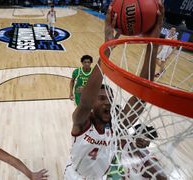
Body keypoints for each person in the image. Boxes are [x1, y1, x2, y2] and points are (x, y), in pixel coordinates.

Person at [64, 0, 164, 179]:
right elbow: (85, 103)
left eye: (109, 98)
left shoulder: (117, 126)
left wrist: (152, 44)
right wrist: (108, 47)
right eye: (101, 98)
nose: (107, 102)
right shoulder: (81, 122)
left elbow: (142, 95)